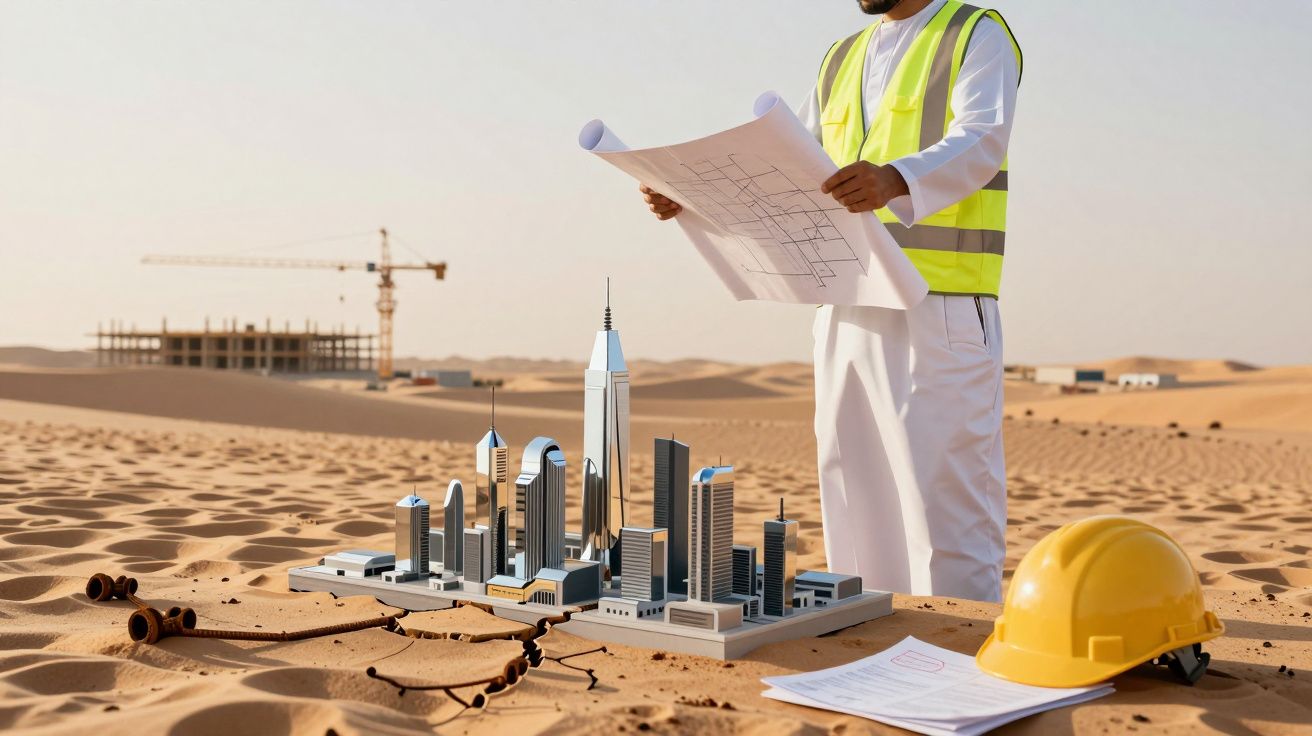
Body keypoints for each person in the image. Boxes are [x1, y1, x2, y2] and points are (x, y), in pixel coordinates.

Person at [639, 0, 1021, 602]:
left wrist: (896, 178)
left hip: (938, 309)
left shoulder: (975, 32)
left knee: (944, 499)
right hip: (844, 303)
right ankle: (873, 635)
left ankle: (958, 641)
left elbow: (982, 140)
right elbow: (787, 170)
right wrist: (690, 200)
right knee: (854, 492)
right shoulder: (841, 58)